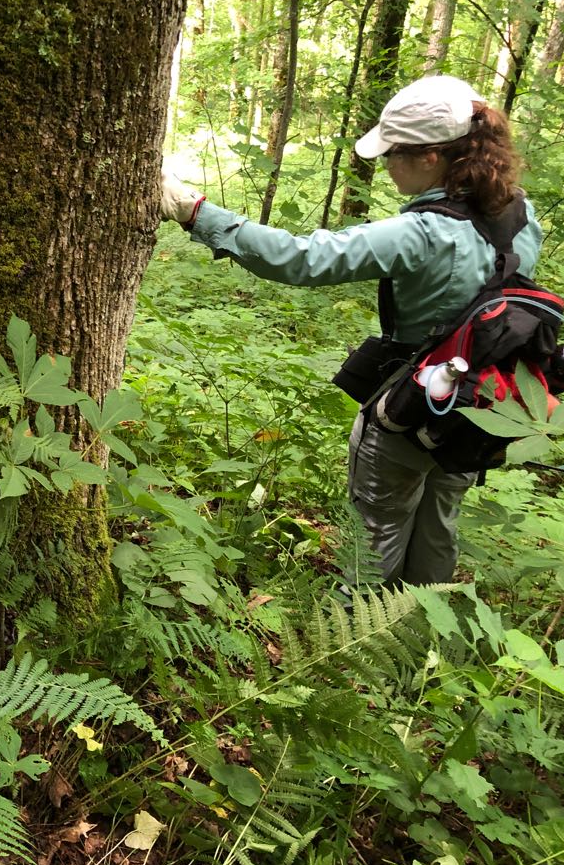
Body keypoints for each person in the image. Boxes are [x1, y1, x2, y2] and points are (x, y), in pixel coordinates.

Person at [158, 75, 542, 586]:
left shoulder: (423, 233)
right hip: (477, 408)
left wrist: (196, 212)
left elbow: (302, 259)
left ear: (430, 157)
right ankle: (414, 641)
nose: (384, 163)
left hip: (410, 408)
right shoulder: (519, 212)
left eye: (391, 153)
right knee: (438, 528)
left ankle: (355, 644)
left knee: (375, 533)